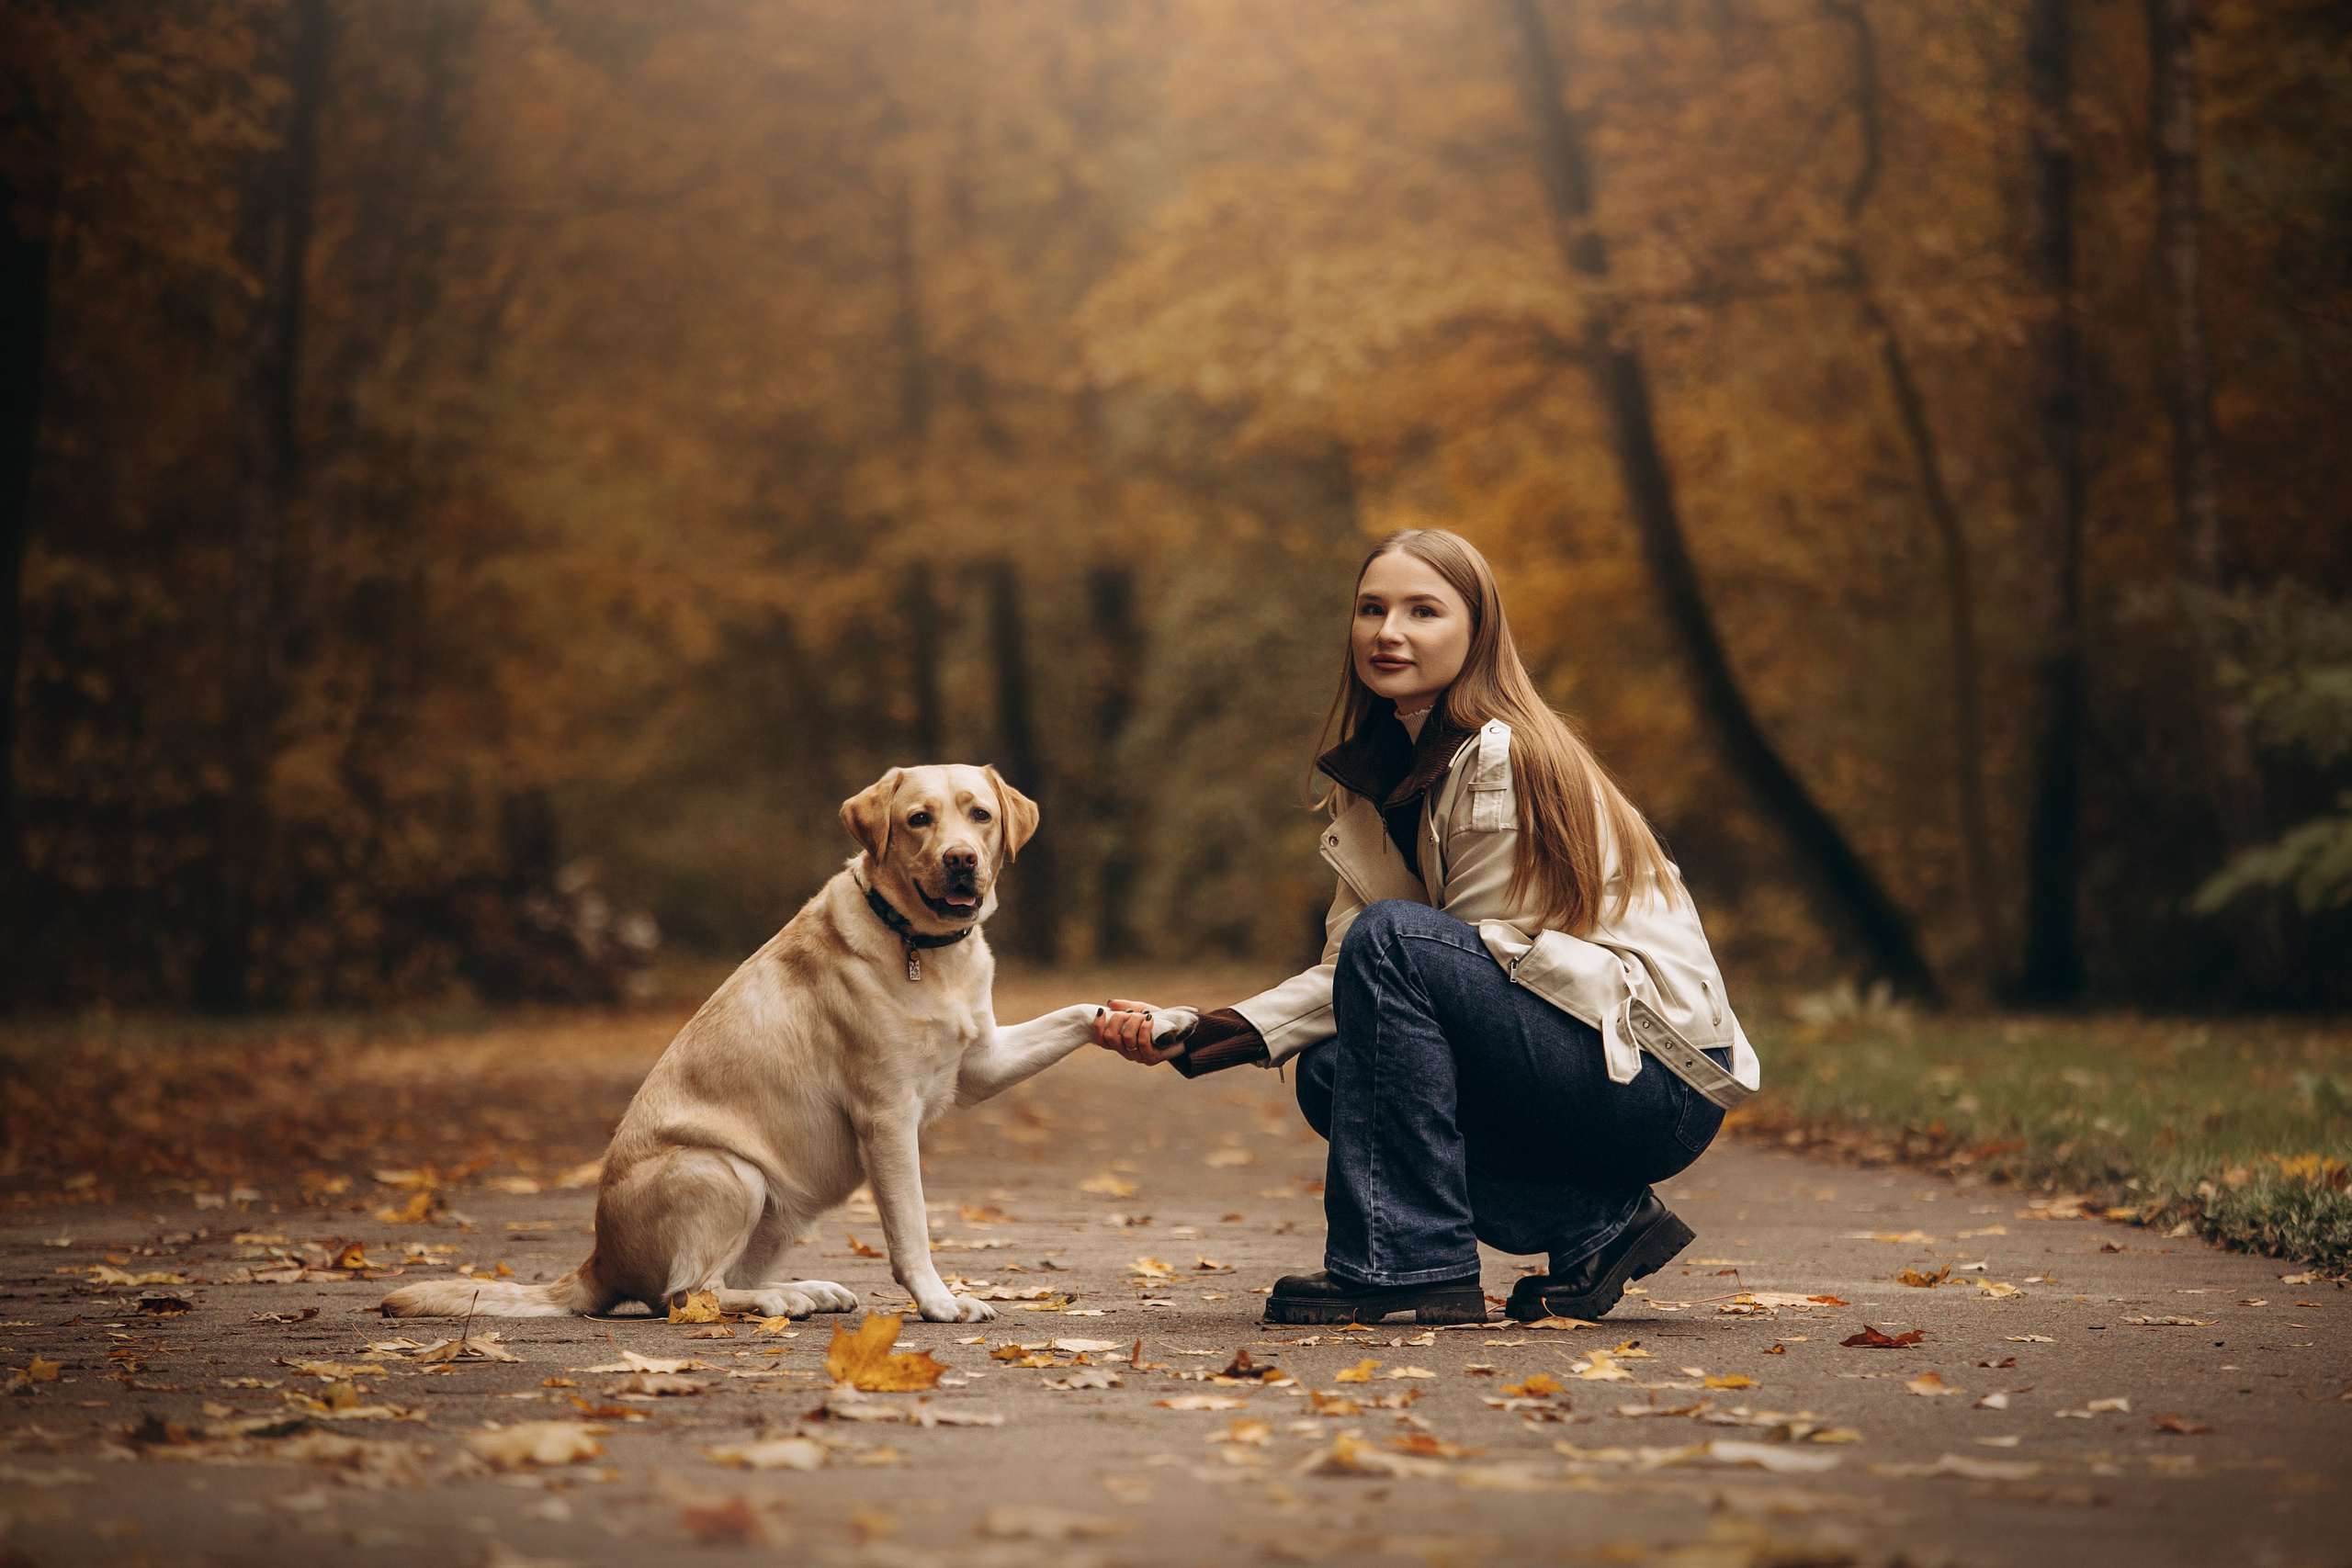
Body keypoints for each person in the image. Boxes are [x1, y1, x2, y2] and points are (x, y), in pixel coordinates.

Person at [1091, 529, 1758, 1325]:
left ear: (1477, 635)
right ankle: (1597, 1226)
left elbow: (1449, 957)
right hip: (1566, 1045)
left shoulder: (1503, 759)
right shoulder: (1381, 774)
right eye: (1371, 609)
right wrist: (1202, 1032)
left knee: (1392, 952)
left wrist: (1278, 1011)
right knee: (1335, 1069)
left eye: (1422, 610)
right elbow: (1360, 970)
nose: (1388, 631)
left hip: (1657, 1073)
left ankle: (1407, 1264)